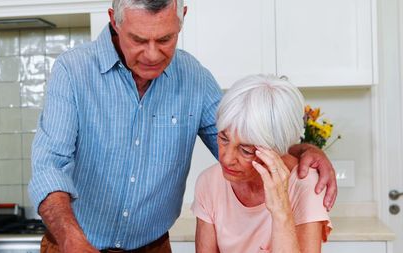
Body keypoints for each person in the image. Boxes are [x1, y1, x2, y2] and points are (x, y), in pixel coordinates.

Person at [28, 0, 337, 252]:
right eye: (138, 39)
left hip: (152, 249)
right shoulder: (73, 71)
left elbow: (243, 136)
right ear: (114, 20)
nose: (152, 54)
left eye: (165, 39)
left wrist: (303, 149)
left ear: (182, 19)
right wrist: (71, 239)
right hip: (72, 245)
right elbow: (48, 166)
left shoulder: (194, 77)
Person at [192, 74, 332, 253]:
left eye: (246, 150)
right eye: (223, 138)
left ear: (276, 150)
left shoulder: (304, 185)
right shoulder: (209, 182)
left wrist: (281, 211)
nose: (226, 159)